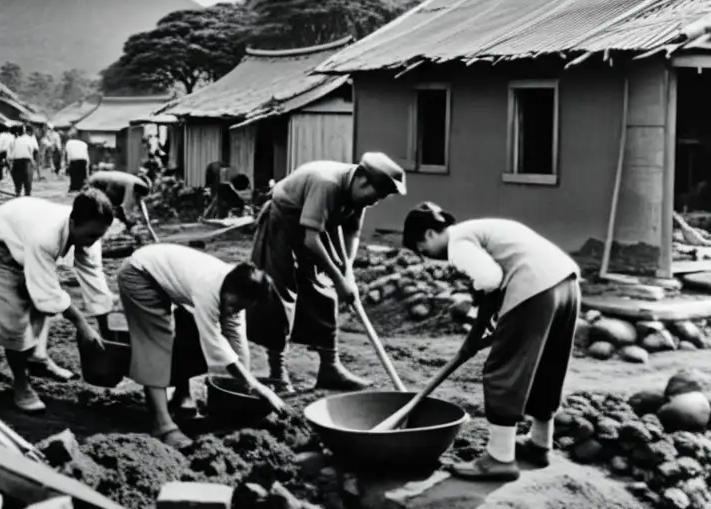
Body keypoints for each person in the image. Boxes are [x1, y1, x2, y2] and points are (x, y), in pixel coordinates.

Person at [402, 202, 581, 482]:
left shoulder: (457, 242)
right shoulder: (478, 229)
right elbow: (495, 285)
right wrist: (481, 330)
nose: (425, 255)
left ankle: (500, 459)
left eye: (421, 248)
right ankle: (539, 445)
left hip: (532, 286)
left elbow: (490, 280)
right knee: (545, 366)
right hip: (566, 284)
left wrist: (475, 334)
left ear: (427, 234)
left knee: (502, 370)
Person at [246, 153, 407, 393]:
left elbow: (351, 232)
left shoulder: (360, 196)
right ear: (362, 181)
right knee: (281, 296)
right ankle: (277, 373)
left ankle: (330, 368)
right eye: (376, 195)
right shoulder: (327, 184)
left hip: (316, 228)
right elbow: (312, 240)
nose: (375, 202)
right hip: (282, 223)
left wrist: (347, 273)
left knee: (324, 291)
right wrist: (339, 278)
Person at [118, 244, 286, 449]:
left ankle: (181, 395)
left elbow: (236, 341)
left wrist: (245, 393)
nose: (234, 311)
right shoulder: (209, 287)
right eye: (233, 305)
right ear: (228, 289)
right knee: (156, 344)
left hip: (172, 281)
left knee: (189, 332)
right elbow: (215, 343)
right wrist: (256, 385)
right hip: (139, 273)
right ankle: (162, 425)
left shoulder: (240, 288)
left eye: (241, 308)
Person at [0, 190, 115, 412]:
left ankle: (38, 358)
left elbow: (96, 282)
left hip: (24, 231)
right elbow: (47, 294)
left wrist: (106, 335)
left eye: (98, 236)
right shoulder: (45, 237)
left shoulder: (91, 234)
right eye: (90, 236)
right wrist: (83, 325)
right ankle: (21, 385)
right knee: (15, 318)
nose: (93, 242)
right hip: (0, 243)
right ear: (73, 222)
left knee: (38, 301)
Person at [86, 170, 154, 234]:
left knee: (116, 208)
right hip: (96, 183)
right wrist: (131, 224)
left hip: (97, 178)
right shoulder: (132, 185)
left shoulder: (131, 181)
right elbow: (126, 208)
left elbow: (140, 203)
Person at [8, 126, 39, 196]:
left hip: (16, 162)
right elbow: (36, 150)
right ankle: (27, 197)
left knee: (17, 183)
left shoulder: (15, 140)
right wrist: (35, 162)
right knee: (27, 183)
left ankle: (18, 194)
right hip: (26, 162)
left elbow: (9, 154)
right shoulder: (30, 139)